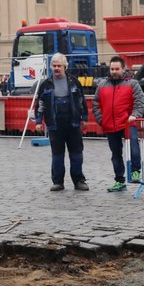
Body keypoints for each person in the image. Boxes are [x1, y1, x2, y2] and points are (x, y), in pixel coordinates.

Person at [32, 53, 89, 191]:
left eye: (59, 66)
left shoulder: (74, 82)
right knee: (57, 154)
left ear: (65, 66)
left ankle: (79, 181)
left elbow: (81, 100)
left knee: (76, 153)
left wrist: (84, 118)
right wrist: (38, 121)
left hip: (73, 123)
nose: (56, 68)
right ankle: (58, 182)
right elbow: (40, 103)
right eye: (54, 65)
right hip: (54, 124)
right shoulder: (45, 84)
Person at [93, 56, 144, 193]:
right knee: (115, 154)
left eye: (117, 69)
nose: (114, 71)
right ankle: (119, 181)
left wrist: (135, 115)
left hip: (128, 123)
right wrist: (101, 119)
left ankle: (135, 171)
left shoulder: (132, 84)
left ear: (123, 69)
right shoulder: (102, 85)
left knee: (134, 147)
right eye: (112, 69)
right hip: (109, 124)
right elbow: (96, 104)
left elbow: (139, 102)